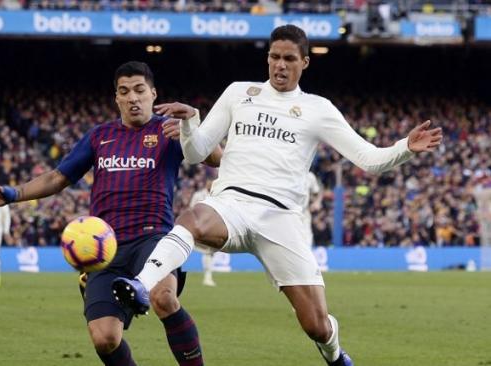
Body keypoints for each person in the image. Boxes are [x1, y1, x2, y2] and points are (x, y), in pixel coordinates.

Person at [112, 25, 443, 366]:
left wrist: (405, 148)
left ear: (305, 63)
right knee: (192, 217)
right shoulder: (239, 93)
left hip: (282, 219)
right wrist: (190, 122)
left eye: (288, 59)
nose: (279, 65)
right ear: (267, 58)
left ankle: (334, 355)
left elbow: (369, 159)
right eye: (274, 57)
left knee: (316, 325)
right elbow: (196, 153)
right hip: (232, 205)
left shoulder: (318, 109)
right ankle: (139, 286)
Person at [0, 61, 221, 366]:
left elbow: (216, 158)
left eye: (139, 90)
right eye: (124, 91)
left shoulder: (168, 131)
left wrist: (191, 127)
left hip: (154, 239)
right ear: (116, 98)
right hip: (106, 248)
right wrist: (13, 194)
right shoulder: (99, 137)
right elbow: (58, 177)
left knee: (164, 299)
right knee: (105, 339)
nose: (132, 97)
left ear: (153, 94)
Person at [189, 180, 218, 286]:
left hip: (211, 227)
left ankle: (208, 277)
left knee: (209, 252)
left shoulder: (217, 194)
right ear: (206, 184)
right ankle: (207, 277)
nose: (210, 185)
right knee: (207, 251)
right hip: (198, 227)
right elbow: (192, 209)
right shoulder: (198, 195)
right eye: (209, 183)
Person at [303, 171, 323, 247]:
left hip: (304, 212)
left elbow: (317, 192)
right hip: (288, 212)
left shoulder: (310, 176)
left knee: (307, 238)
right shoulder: (289, 173)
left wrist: (317, 202)